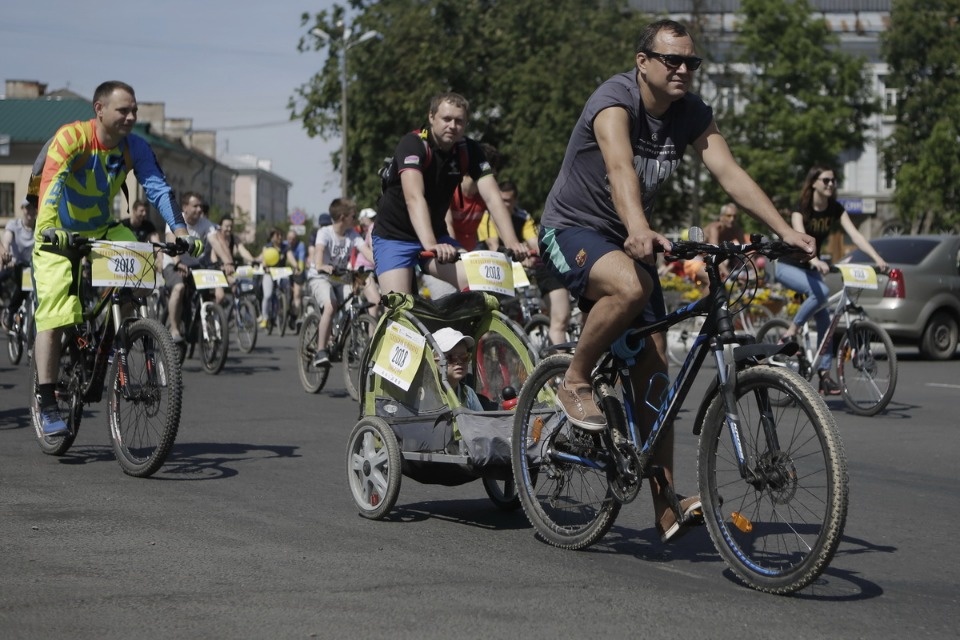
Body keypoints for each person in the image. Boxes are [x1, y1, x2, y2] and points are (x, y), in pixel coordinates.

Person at [537, 20, 815, 543]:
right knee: (630, 287)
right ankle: (573, 380)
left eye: (692, 62)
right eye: (673, 60)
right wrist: (639, 228)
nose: (684, 69)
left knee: (656, 371)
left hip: (630, 237)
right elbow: (620, 168)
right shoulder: (615, 100)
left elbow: (729, 171)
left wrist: (784, 232)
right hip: (572, 228)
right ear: (643, 61)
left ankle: (664, 502)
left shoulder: (691, 114)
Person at [31, 80, 203, 437]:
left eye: (134, 110)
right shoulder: (72, 138)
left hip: (103, 228)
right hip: (58, 231)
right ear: (100, 109)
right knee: (55, 310)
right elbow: (51, 184)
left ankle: (120, 340)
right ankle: (47, 400)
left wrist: (181, 232)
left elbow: (156, 185)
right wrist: (49, 228)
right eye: (123, 110)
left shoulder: (133, 146)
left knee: (140, 276)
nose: (131, 116)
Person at [372, 92, 528, 295]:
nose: (452, 126)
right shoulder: (413, 144)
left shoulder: (470, 150)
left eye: (459, 121)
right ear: (431, 117)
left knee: (479, 285)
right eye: (446, 119)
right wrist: (431, 244)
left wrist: (512, 242)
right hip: (394, 237)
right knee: (398, 310)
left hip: (437, 235)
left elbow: (492, 196)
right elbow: (414, 198)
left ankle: (460, 327)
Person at [771, 165, 888, 395]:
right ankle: (789, 333)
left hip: (811, 267)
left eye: (833, 181)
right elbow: (800, 238)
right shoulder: (801, 208)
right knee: (822, 292)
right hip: (787, 265)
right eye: (825, 180)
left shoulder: (835, 209)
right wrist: (814, 261)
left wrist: (877, 258)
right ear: (813, 182)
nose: (830, 184)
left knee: (826, 321)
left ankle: (824, 376)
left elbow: (854, 235)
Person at [486, 181, 573, 347]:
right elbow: (493, 245)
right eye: (501, 200)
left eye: (508, 200)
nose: (505, 204)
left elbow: (535, 243)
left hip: (524, 267)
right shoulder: (488, 217)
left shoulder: (523, 216)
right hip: (497, 268)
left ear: (515, 200)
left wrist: (531, 253)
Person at [307, 198, 374, 367]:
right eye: (353, 215)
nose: (356, 219)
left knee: (354, 305)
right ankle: (321, 351)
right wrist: (321, 265)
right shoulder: (325, 232)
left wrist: (382, 263)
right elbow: (319, 252)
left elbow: (366, 251)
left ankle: (348, 345)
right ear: (343, 217)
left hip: (340, 278)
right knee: (331, 306)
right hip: (321, 276)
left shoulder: (352, 234)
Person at [163, 192, 235, 336]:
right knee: (179, 287)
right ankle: (174, 329)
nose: (199, 209)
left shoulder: (205, 224)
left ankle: (203, 323)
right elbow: (171, 240)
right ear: (185, 207)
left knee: (209, 289)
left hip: (195, 266)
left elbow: (216, 242)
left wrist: (228, 262)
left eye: (200, 206)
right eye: (195, 206)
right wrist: (178, 263)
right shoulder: (175, 220)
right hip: (173, 263)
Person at [445, 143, 500, 252]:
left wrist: (513, 245)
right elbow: (447, 225)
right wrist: (456, 251)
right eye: (492, 169)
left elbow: (499, 221)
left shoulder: (486, 195)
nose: (495, 173)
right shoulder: (450, 189)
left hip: (471, 253)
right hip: (449, 250)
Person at [1, 198, 37, 330]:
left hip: (33, 267)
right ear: (22, 209)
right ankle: (10, 312)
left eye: (33, 207)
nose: (30, 211)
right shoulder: (14, 225)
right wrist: (5, 251)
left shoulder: (39, 227)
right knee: (23, 284)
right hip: (15, 265)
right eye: (27, 208)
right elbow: (7, 238)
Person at [431, 327, 484, 412]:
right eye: (450, 357)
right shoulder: (425, 393)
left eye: (464, 357)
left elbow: (482, 423)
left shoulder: (468, 393)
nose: (459, 362)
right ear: (434, 359)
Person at [353, 207, 381, 316]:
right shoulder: (372, 227)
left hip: (371, 268)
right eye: (370, 218)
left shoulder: (370, 227)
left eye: (373, 217)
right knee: (375, 301)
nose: (373, 220)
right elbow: (373, 250)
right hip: (363, 268)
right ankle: (371, 333)